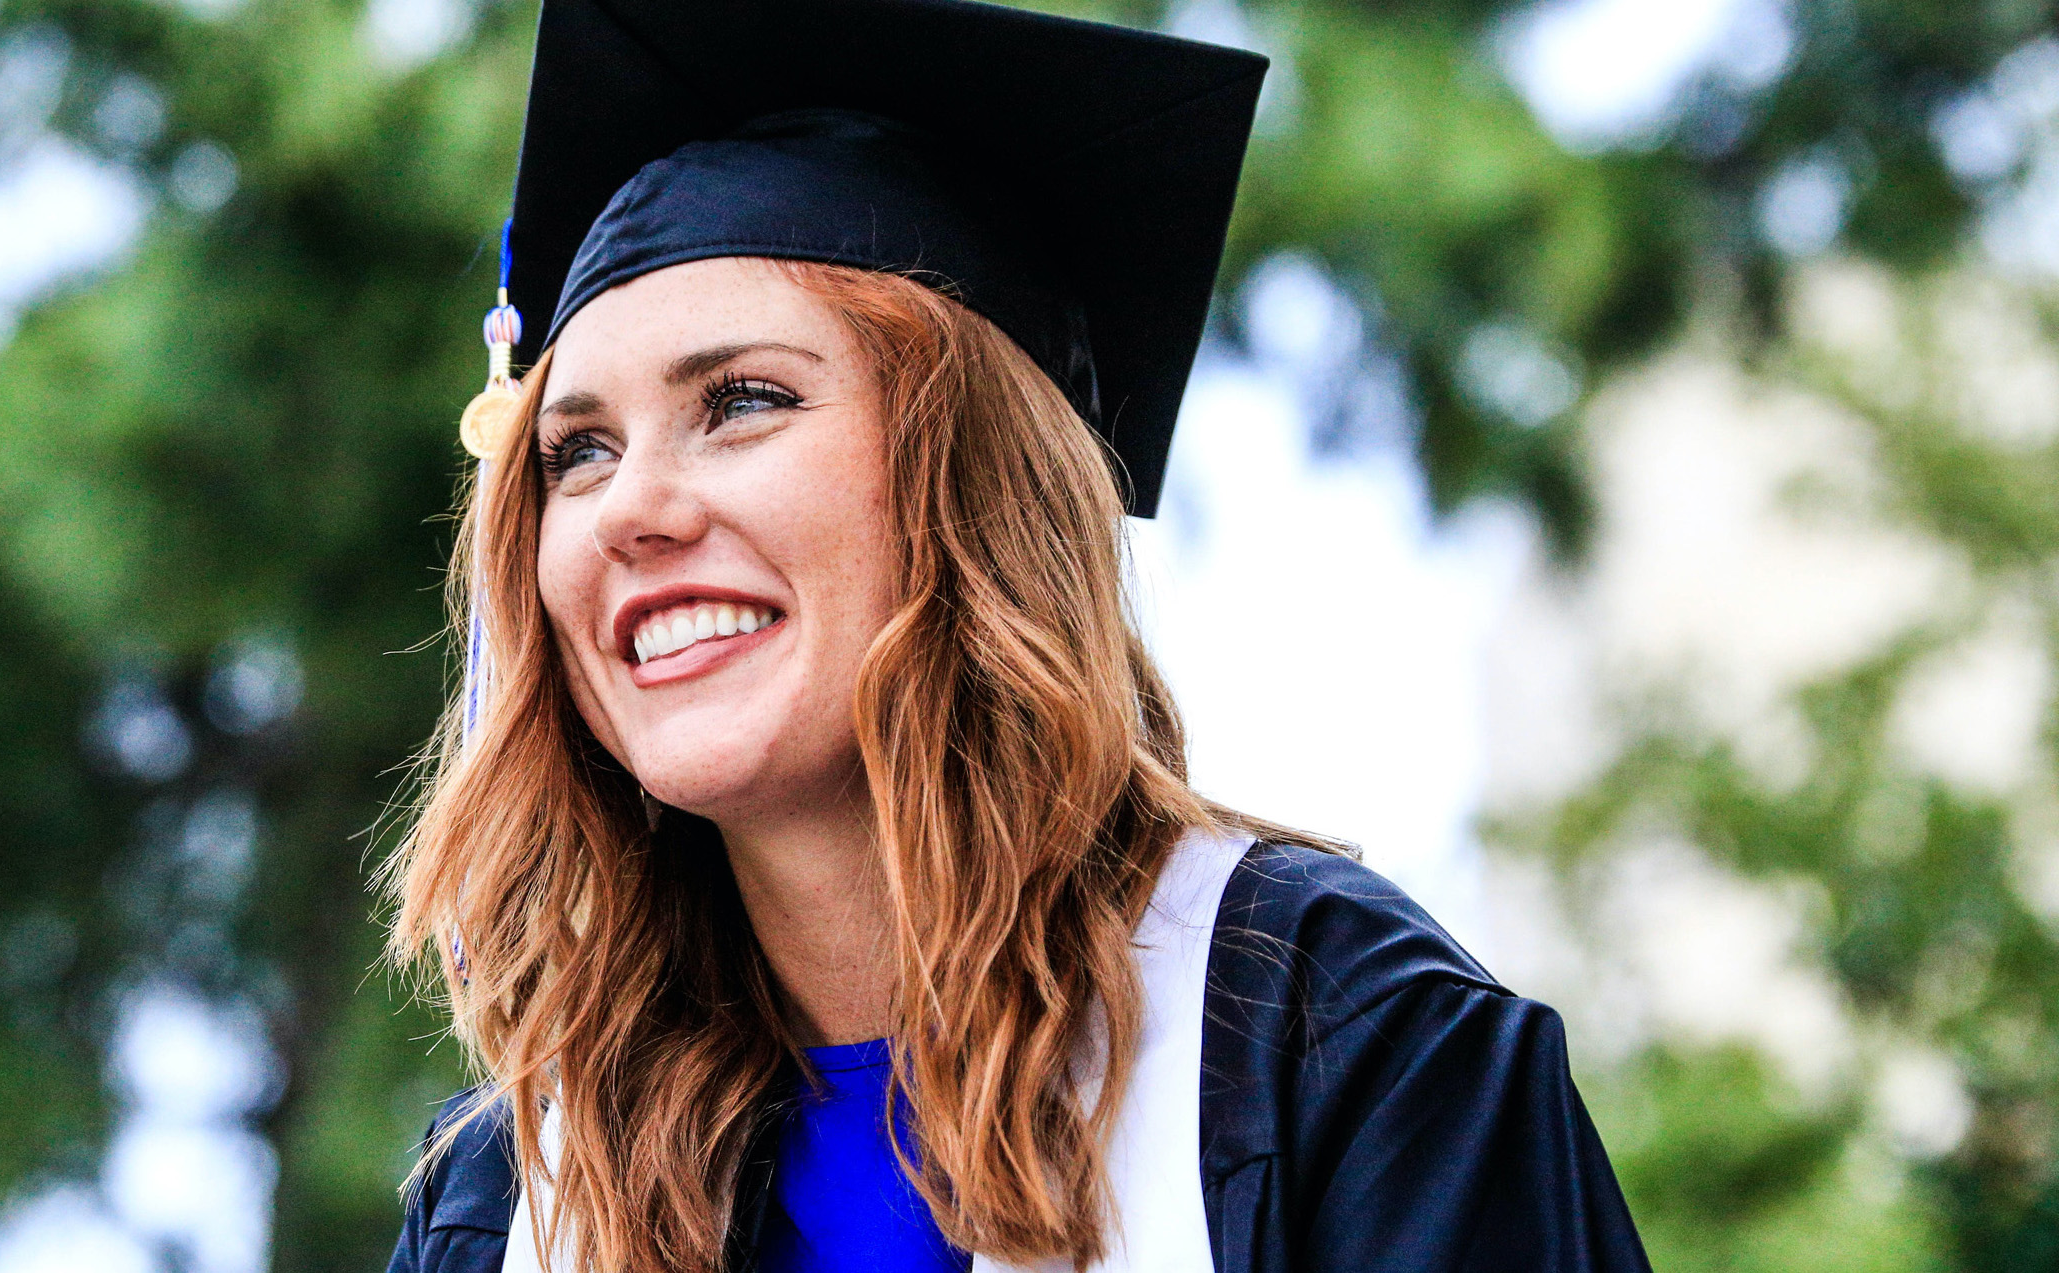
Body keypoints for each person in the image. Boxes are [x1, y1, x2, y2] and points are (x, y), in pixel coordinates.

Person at [387, 1, 1652, 1270]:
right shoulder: (516, 1193)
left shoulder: (1337, 1047)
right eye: (577, 451)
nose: (631, 512)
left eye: (743, 401)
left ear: (983, 482)